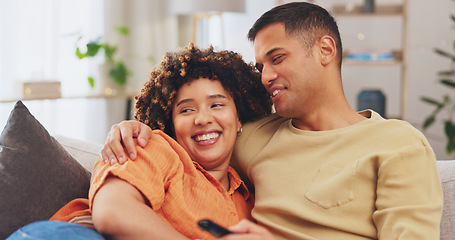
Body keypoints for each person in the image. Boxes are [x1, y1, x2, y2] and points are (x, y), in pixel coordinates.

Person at [102, 2, 444, 240]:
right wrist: (138, 128)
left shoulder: (397, 143)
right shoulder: (253, 136)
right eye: (261, 66)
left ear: (326, 50)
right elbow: (195, 140)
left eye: (277, 58)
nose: (266, 77)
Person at [7, 44, 273, 240]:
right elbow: (114, 214)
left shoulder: (247, 199)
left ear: (240, 118)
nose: (203, 119)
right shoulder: (155, 147)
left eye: (217, 104)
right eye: (186, 110)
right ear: (171, 125)